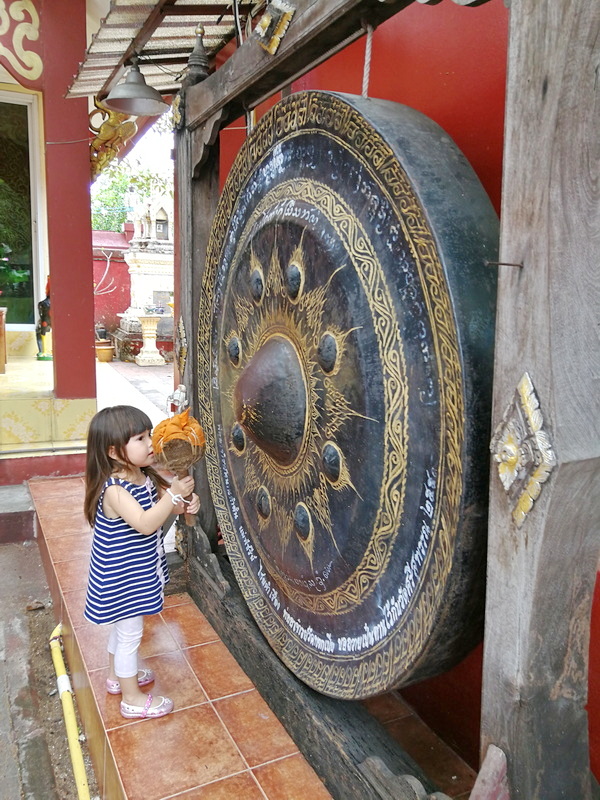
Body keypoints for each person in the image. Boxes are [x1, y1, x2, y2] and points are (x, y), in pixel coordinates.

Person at [83, 405, 200, 720]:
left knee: (123, 632)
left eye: (149, 434)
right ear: (114, 452)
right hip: (123, 578)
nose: (150, 443)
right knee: (130, 635)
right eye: (139, 438)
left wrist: (181, 503)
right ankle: (132, 698)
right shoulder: (116, 490)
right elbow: (147, 523)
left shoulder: (141, 476)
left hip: (135, 570)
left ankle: (115, 677)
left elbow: (159, 510)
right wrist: (173, 494)